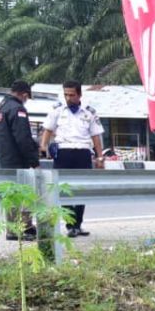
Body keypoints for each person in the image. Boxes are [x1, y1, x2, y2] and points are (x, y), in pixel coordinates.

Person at [39, 80, 104, 238]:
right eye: (66, 94)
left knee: (82, 189)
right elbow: (48, 130)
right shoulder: (57, 110)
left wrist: (100, 157)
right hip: (64, 153)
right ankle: (70, 225)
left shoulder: (89, 112)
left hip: (82, 153)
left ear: (79, 94)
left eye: (72, 95)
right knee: (64, 190)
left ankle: (78, 224)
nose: (68, 98)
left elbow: (96, 136)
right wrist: (43, 147)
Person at [0, 80, 40, 240]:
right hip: (19, 159)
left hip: (5, 158)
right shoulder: (18, 109)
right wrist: (34, 160)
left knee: (12, 194)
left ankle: (14, 229)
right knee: (25, 193)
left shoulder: (1, 107)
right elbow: (23, 138)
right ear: (24, 94)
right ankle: (23, 227)